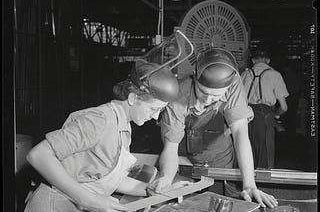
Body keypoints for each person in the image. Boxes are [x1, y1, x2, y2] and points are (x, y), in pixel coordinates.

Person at [23, 60, 180, 212]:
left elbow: (111, 181)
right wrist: (89, 200)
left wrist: (152, 190)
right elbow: (38, 155)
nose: (155, 117)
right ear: (133, 98)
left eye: (160, 111)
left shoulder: (124, 126)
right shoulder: (100, 120)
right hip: (53, 205)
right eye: (153, 109)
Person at [150, 47, 278, 208]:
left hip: (220, 158)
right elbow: (170, 147)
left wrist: (250, 185)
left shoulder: (234, 86)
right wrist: (166, 179)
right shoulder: (178, 94)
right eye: (202, 92)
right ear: (195, 78)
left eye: (217, 96)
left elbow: (240, 134)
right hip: (184, 160)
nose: (208, 100)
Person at [241, 50, 289, 169]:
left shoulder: (244, 74)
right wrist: (276, 115)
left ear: (253, 60)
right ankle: (264, 182)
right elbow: (284, 107)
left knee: (246, 149)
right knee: (265, 152)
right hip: (265, 115)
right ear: (268, 61)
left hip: (244, 116)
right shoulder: (275, 75)